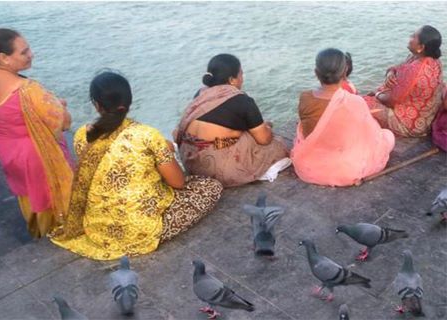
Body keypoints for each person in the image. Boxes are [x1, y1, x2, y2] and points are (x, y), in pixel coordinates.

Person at [51, 71, 222, 260]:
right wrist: (164, 154)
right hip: (138, 232)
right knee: (210, 186)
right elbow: (178, 183)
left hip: (98, 227)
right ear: (129, 101)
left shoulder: (82, 134)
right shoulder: (147, 135)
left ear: (97, 105)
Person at [0, 28, 73, 238]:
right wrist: (60, 106)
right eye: (24, 52)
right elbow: (63, 123)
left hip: (8, 149)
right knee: (49, 195)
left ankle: (38, 231)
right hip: (34, 154)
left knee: (28, 195)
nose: (31, 54)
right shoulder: (27, 89)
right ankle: (57, 231)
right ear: (4, 58)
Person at [174, 54, 290, 188]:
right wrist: (267, 128)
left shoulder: (201, 93)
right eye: (240, 74)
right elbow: (264, 139)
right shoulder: (242, 100)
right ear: (232, 80)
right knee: (277, 146)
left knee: (243, 133)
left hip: (190, 162)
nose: (242, 78)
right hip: (214, 169)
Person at [291, 48, 395, 187]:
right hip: (346, 169)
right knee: (387, 136)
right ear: (345, 72)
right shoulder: (355, 102)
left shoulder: (305, 97)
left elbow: (308, 129)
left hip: (308, 164)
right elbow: (371, 134)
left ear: (316, 73)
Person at [364, 25, 444, 137]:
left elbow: (390, 101)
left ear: (421, 47)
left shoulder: (414, 69)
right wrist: (391, 72)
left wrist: (377, 94)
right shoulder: (432, 60)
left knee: (362, 103)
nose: (410, 37)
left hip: (410, 125)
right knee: (376, 93)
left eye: (413, 36)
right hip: (426, 117)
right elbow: (398, 67)